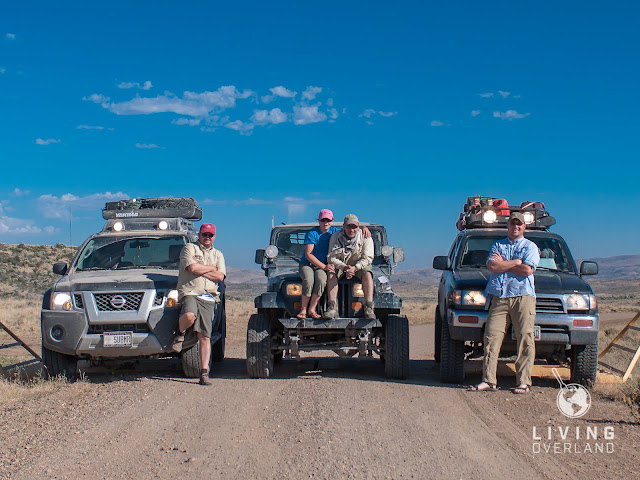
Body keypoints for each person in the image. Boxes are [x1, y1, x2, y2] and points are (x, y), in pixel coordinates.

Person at [469, 212, 540, 394]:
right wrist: (516, 261)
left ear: (524, 227)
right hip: (499, 296)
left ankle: (524, 382)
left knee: (525, 337)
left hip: (522, 296)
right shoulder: (497, 245)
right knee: (491, 336)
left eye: (519, 224)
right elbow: (493, 267)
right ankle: (488, 380)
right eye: (512, 224)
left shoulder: (530, 247)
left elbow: (527, 270)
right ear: (507, 226)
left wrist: (506, 263)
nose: (515, 227)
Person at [171, 223, 226, 386]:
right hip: (190, 292)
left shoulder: (218, 254)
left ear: (214, 237)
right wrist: (210, 268)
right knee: (189, 315)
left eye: (210, 235)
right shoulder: (189, 248)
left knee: (205, 336)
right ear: (199, 235)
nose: (207, 238)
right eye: (204, 235)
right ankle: (180, 334)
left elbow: (220, 276)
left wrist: (201, 268)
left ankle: (203, 373)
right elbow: (192, 267)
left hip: (208, 297)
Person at [298, 210, 372, 319]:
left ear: (332, 221)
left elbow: (368, 257)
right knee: (312, 279)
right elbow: (315, 255)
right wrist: (339, 267)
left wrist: (364, 227)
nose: (326, 222)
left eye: (328, 220)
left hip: (342, 265)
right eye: (323, 220)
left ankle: (369, 306)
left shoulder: (360, 235)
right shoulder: (331, 235)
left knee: (322, 279)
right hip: (313, 264)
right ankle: (325, 307)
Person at [323, 214, 375, 320]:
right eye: (349, 227)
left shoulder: (365, 237)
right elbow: (331, 257)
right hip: (341, 265)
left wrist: (355, 268)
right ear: (343, 226)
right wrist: (344, 267)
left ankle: (369, 306)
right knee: (331, 273)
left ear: (358, 227)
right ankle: (332, 306)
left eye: (354, 227)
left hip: (359, 265)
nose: (352, 230)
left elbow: (368, 258)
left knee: (368, 274)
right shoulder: (335, 236)